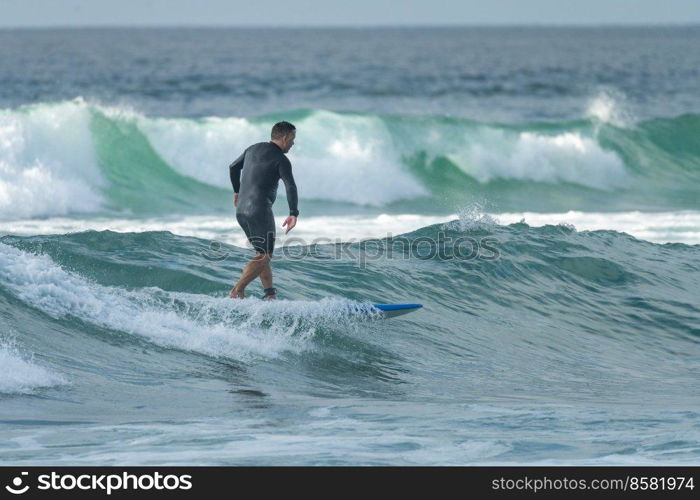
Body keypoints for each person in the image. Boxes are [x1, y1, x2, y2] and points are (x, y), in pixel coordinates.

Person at [228, 121, 299, 300]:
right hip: (259, 210)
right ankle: (237, 290)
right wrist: (293, 212)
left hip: (241, 210)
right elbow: (290, 186)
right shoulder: (281, 159)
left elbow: (233, 167)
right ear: (285, 137)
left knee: (261, 254)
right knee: (265, 256)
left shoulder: (253, 149)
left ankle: (269, 294)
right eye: (292, 139)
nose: (293, 143)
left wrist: (236, 191)